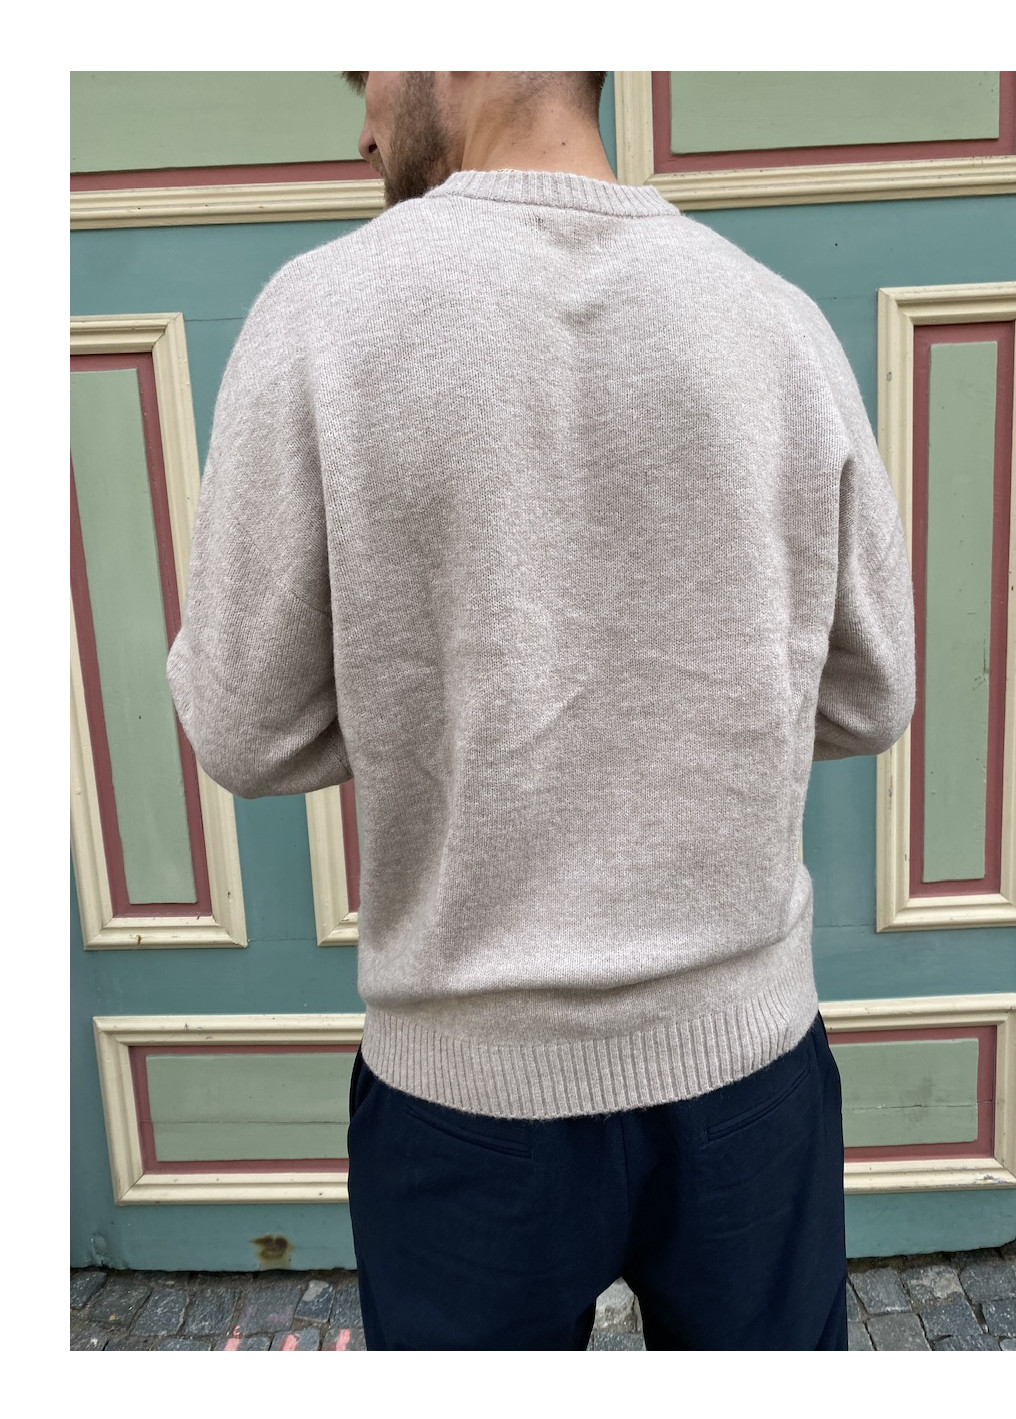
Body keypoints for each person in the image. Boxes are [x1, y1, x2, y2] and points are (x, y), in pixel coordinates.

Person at [166, 70, 916, 1351]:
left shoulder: (319, 316)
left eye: (366, 69)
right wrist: (692, 703)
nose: (360, 123)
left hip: (464, 1100)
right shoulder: (771, 319)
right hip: (747, 1073)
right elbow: (873, 687)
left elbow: (245, 726)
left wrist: (433, 704)